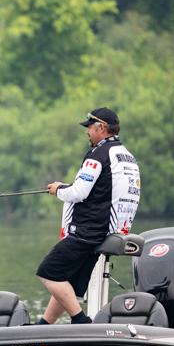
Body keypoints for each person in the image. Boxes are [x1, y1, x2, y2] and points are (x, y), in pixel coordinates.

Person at [36, 107, 140, 324]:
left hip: (88, 230)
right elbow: (101, 190)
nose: (87, 132)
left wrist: (58, 190)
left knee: (48, 272)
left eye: (90, 127)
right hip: (109, 230)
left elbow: (79, 192)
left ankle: (81, 322)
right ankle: (43, 325)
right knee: (67, 282)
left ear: (102, 128)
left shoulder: (98, 155)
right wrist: (67, 187)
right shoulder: (127, 156)